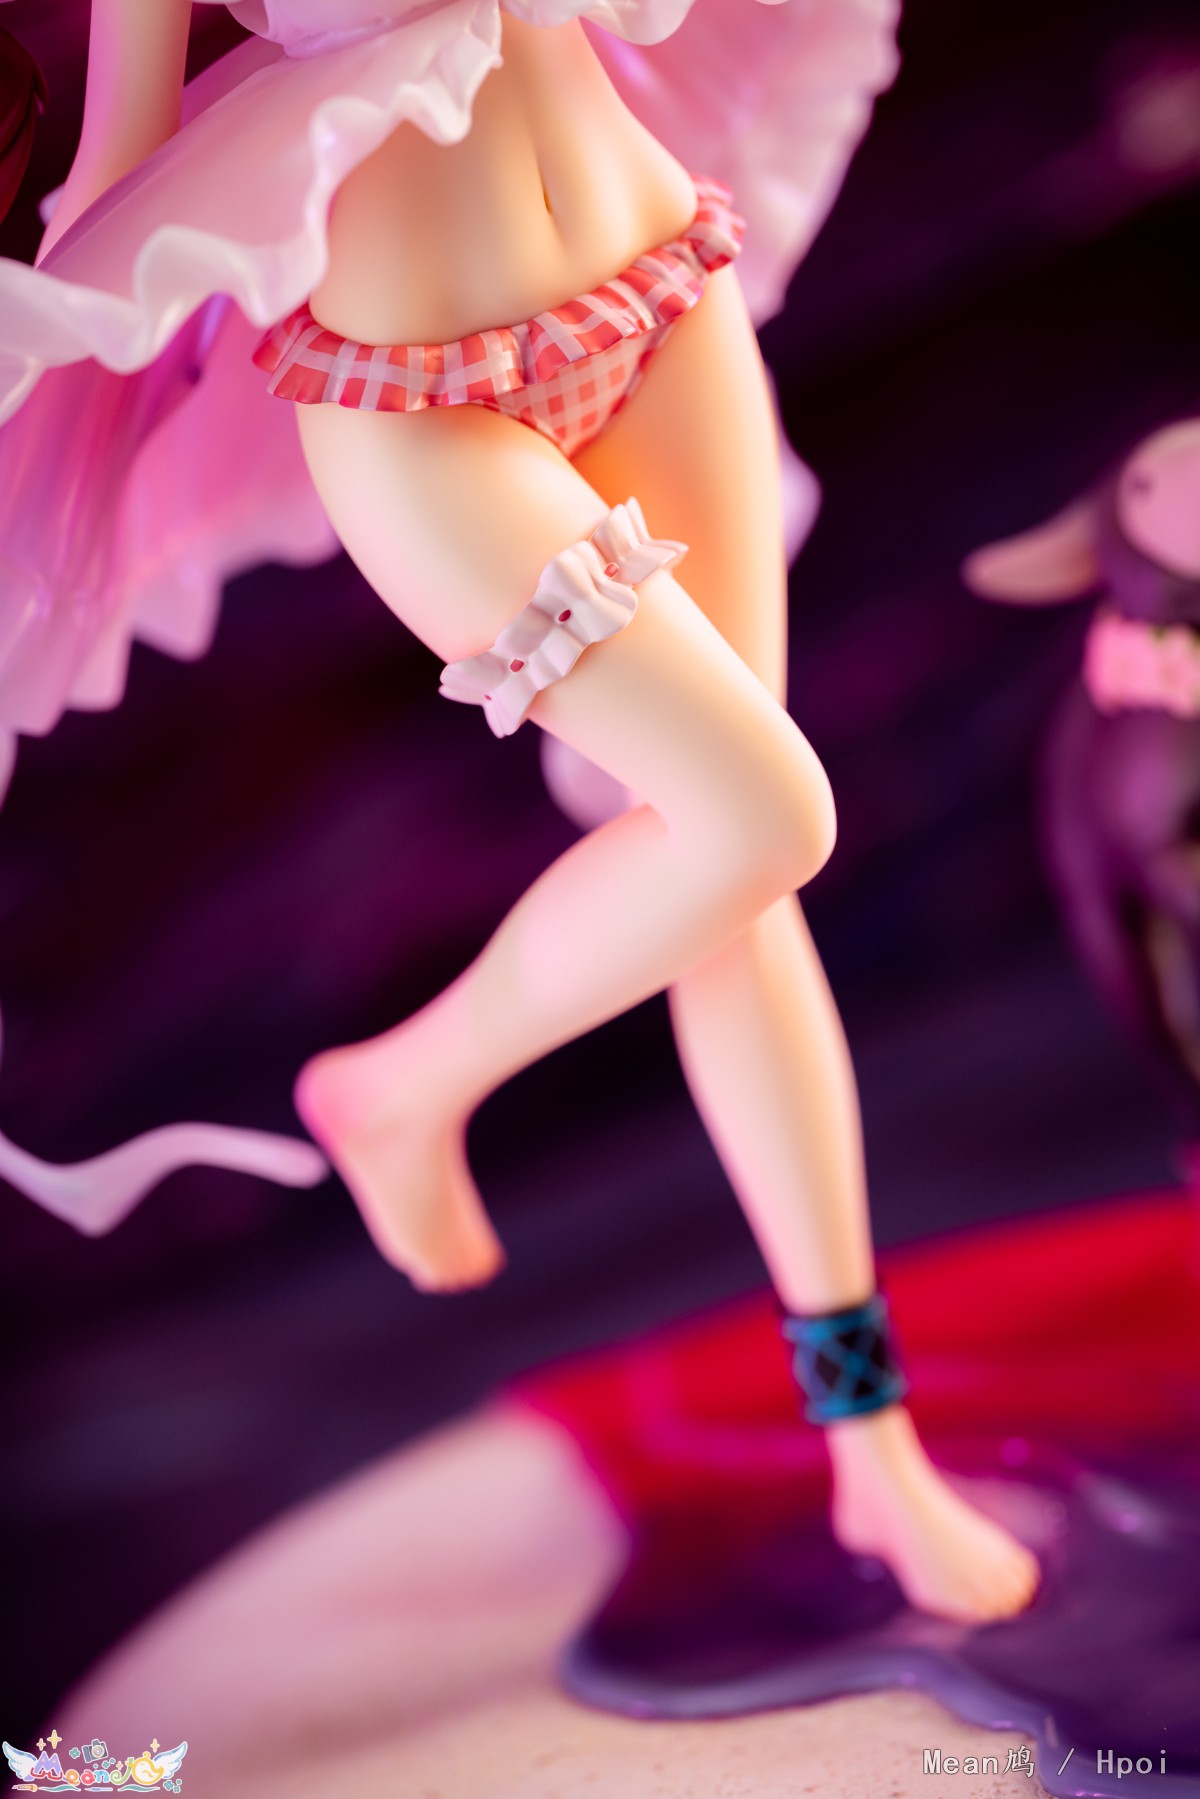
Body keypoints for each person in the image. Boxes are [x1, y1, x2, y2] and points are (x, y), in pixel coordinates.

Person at [0, 0, 1039, 1622]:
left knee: (740, 900)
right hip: (423, 405)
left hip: (655, 286)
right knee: (762, 816)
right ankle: (411, 1081)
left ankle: (871, 1445)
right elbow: (116, 173)